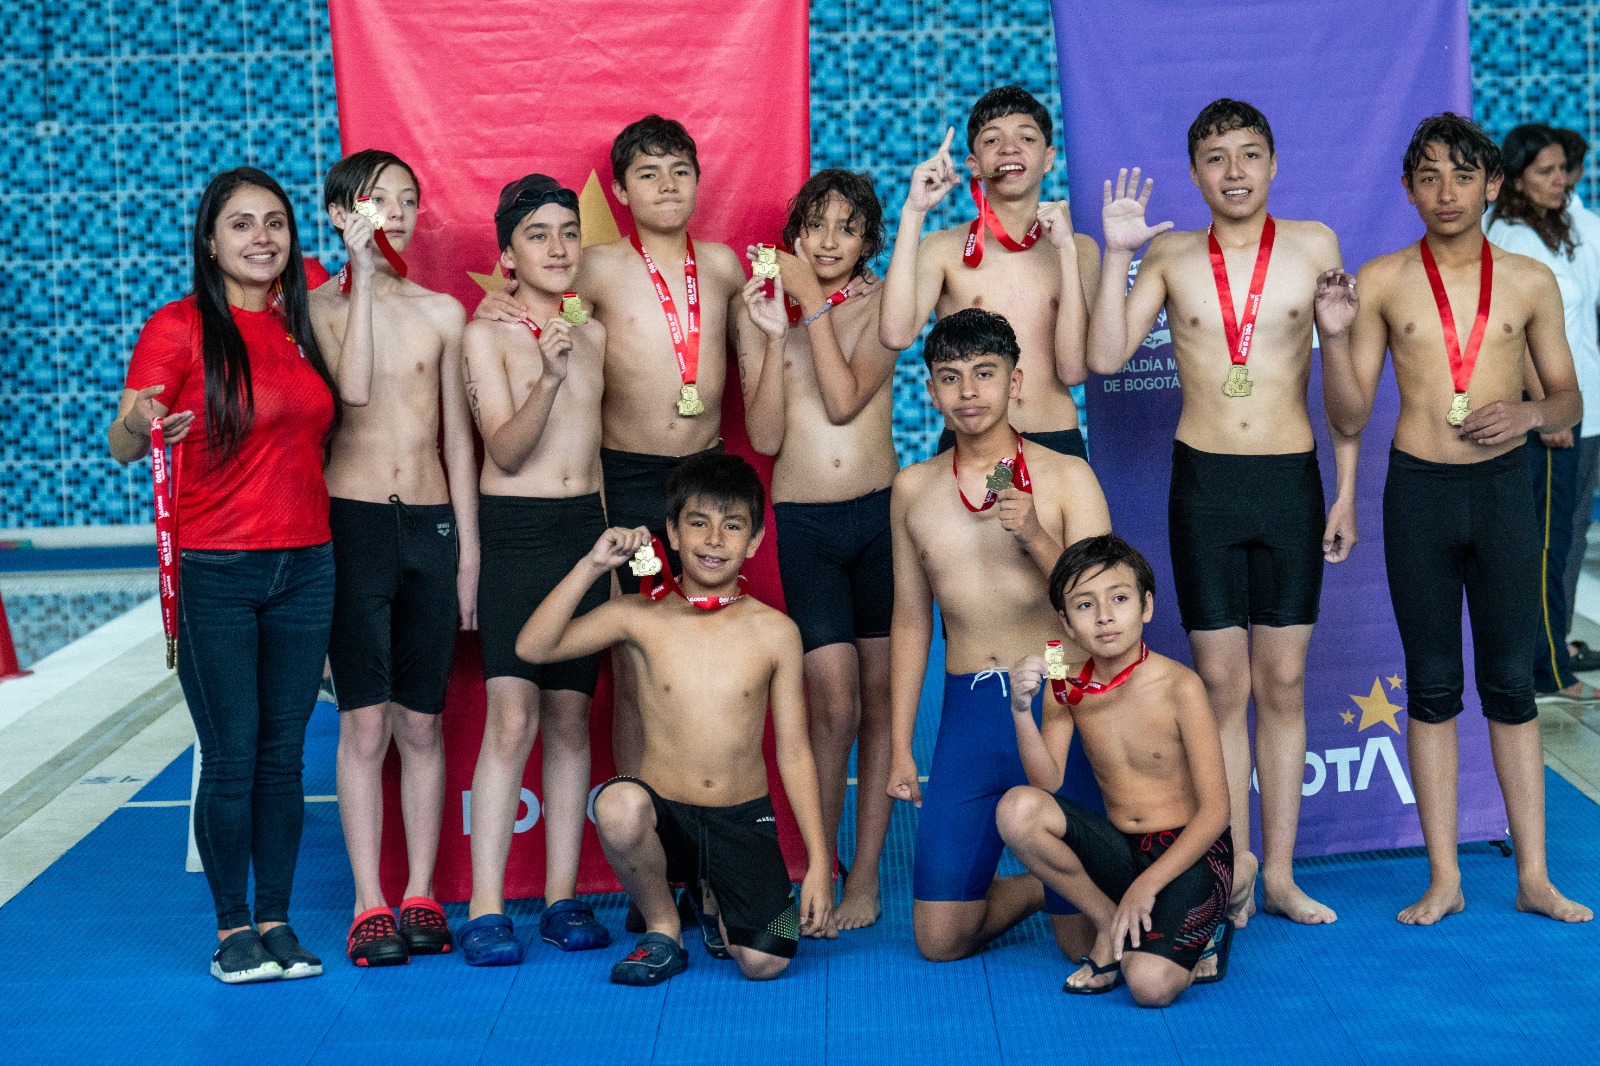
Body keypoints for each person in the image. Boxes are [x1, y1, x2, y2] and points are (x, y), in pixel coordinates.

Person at [1086, 99, 1358, 927]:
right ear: (1195, 172)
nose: (1234, 172)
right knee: (1222, 684)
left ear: (1273, 164)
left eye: (1248, 155)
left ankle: (1280, 875)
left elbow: (1346, 398)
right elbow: (1104, 356)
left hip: (1289, 482)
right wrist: (1118, 255)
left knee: (1284, 681)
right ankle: (1232, 869)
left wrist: (1346, 487)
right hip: (1204, 484)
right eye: (1215, 157)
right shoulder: (1171, 254)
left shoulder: (1314, 245)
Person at [1325, 112, 1592, 925]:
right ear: (1408, 190)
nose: (1447, 192)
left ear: (1493, 185)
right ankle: (1444, 878)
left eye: (1463, 176)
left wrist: (1528, 413)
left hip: (1504, 491)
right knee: (1433, 686)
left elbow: (1570, 400)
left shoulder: (1528, 281)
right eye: (1430, 177)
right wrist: (1333, 339)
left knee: (1511, 686)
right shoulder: (1381, 280)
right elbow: (1348, 415)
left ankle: (1534, 877)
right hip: (1420, 495)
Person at [109, 168, 338, 982]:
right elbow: (124, 440)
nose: (261, 237)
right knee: (233, 754)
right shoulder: (177, 327)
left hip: (308, 564)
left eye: (275, 221)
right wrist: (144, 420)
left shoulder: (306, 315)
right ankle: (232, 929)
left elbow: (368, 281)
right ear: (210, 241)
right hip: (217, 568)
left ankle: (277, 918)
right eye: (241, 224)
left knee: (284, 758)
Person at [473, 116, 748, 779]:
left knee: (709, 651)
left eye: (680, 171)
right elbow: (543, 309)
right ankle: (638, 810)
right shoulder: (594, 266)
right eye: (649, 173)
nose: (667, 185)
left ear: (699, 180)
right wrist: (493, 307)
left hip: (704, 477)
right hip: (626, 485)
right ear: (621, 192)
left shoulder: (722, 265)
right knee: (637, 654)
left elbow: (772, 324)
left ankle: (700, 805)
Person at [516, 453, 833, 984]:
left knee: (766, 962)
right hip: (669, 822)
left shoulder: (776, 632)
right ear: (674, 533)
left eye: (732, 526)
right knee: (617, 805)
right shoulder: (641, 617)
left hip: (741, 822)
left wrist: (819, 862)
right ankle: (663, 926)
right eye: (698, 523)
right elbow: (533, 646)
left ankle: (712, 899)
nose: (714, 539)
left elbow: (795, 750)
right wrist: (593, 565)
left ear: (755, 541)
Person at [886, 307, 1111, 962]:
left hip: (1058, 706)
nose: (969, 392)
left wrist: (1037, 537)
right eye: (950, 377)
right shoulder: (912, 490)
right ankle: (1039, 886)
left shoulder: (1068, 476)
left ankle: (1075, 887)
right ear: (931, 390)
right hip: (969, 717)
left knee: (1081, 945)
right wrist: (900, 746)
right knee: (939, 941)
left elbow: (1105, 613)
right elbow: (910, 619)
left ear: (1015, 382)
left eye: (985, 373)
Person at [307, 150, 477, 967]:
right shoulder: (313, 311)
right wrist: (364, 278)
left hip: (432, 524)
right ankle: (367, 901)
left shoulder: (443, 312)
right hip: (354, 522)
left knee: (420, 720)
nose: (400, 213)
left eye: (410, 200)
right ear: (342, 212)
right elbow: (351, 399)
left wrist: (468, 553)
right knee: (364, 721)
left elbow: (458, 441)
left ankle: (418, 891)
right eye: (383, 200)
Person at [735, 169, 898, 930]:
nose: (830, 241)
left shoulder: (883, 305)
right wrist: (775, 336)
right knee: (832, 702)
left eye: (848, 227)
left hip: (880, 517)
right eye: (817, 224)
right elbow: (766, 437)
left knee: (880, 700)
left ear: (867, 242)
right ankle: (818, 869)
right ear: (795, 234)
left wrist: (815, 305)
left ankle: (864, 876)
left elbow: (843, 399)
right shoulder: (760, 306)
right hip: (805, 521)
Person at [455, 175, 612, 964]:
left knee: (571, 718)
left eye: (567, 232)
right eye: (537, 235)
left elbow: (596, 452)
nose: (557, 247)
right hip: (517, 532)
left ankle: (561, 897)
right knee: (512, 719)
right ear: (508, 256)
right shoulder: (485, 336)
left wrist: (611, 545)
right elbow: (507, 451)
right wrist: (547, 375)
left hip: (584, 531)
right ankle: (486, 908)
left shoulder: (595, 332)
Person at [997, 534, 1233, 1005]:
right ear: (1066, 623)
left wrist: (1147, 886)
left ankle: (1218, 922)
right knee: (1017, 810)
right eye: (1085, 605)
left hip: (1190, 853)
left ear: (1146, 606)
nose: (1104, 616)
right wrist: (1021, 710)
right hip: (1122, 850)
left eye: (1119, 599)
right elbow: (1046, 783)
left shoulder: (1180, 686)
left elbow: (1216, 812)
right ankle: (1110, 925)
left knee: (1149, 985)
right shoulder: (1067, 686)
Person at [879, 86, 1101, 457]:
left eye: (1026, 138)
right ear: (974, 165)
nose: (1009, 148)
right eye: (992, 140)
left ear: (1048, 158)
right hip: (969, 445)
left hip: (1053, 439)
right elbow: (895, 334)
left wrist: (1066, 252)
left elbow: (1073, 370)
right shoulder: (942, 248)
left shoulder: (1081, 249)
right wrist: (913, 212)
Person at [1483, 126, 1600, 704]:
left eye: (1562, 170)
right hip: (1552, 417)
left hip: (1577, 408)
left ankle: (1550, 655)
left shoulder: (1553, 228)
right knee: (1548, 544)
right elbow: (1520, 333)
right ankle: (1547, 669)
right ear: (1515, 179)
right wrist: (1544, 411)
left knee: (1563, 537)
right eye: (1546, 171)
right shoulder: (1515, 238)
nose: (1561, 181)